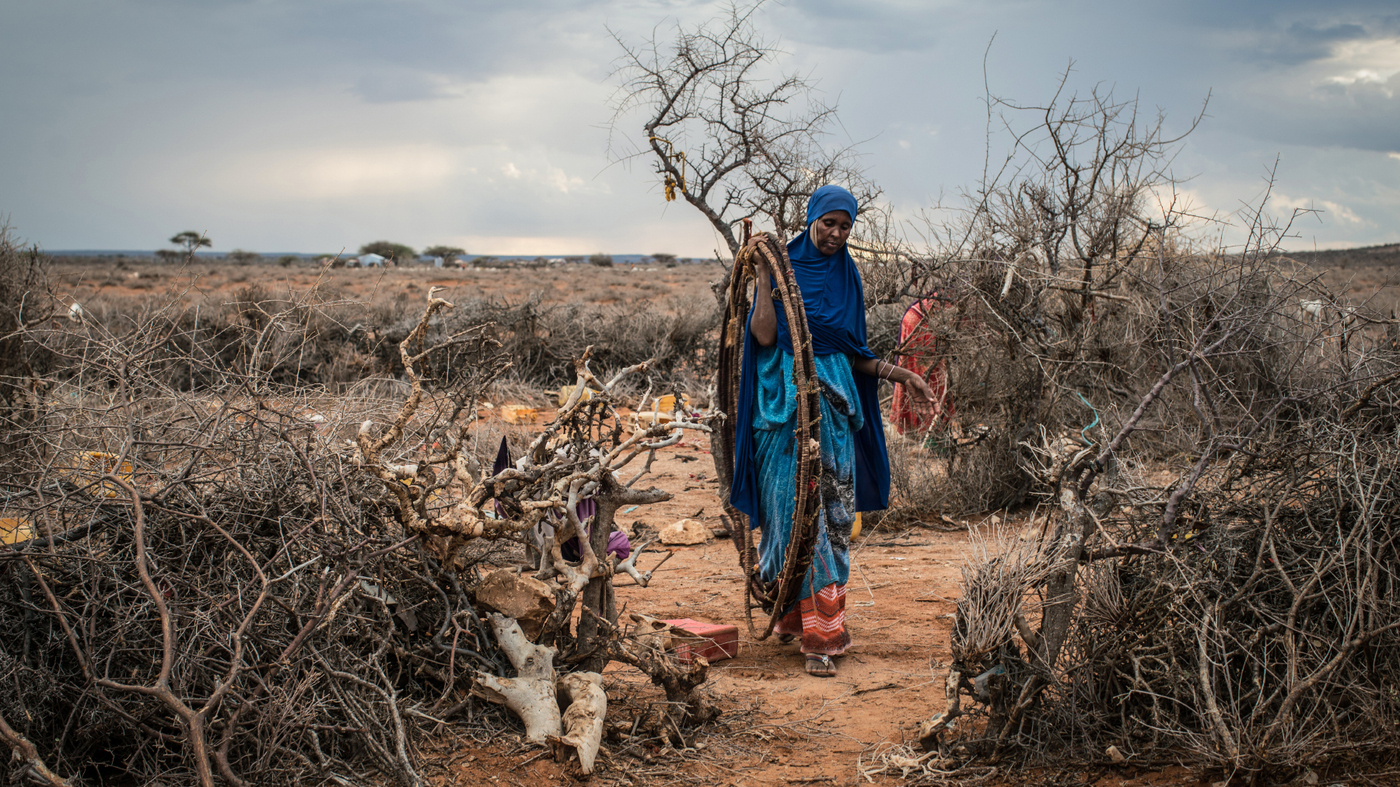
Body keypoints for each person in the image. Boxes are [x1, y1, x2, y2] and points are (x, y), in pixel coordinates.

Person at [730, 185, 936, 677]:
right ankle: (797, 622)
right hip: (783, 413)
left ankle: (823, 631)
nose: (837, 234)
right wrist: (763, 277)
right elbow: (763, 336)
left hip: (836, 416)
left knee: (832, 520)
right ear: (812, 221)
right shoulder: (784, 267)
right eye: (829, 224)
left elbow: (854, 352)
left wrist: (903, 374)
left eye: (845, 227)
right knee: (789, 516)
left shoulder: (848, 277)